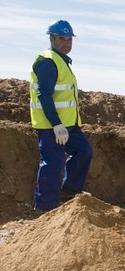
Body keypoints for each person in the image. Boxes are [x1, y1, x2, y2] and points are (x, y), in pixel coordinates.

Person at [30, 20, 93, 212]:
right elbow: (45, 95)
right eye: (61, 38)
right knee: (53, 164)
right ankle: (44, 209)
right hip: (51, 126)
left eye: (69, 39)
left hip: (69, 125)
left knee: (84, 152)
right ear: (51, 38)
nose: (67, 42)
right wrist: (56, 124)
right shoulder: (48, 61)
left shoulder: (62, 61)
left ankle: (69, 192)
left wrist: (66, 124)